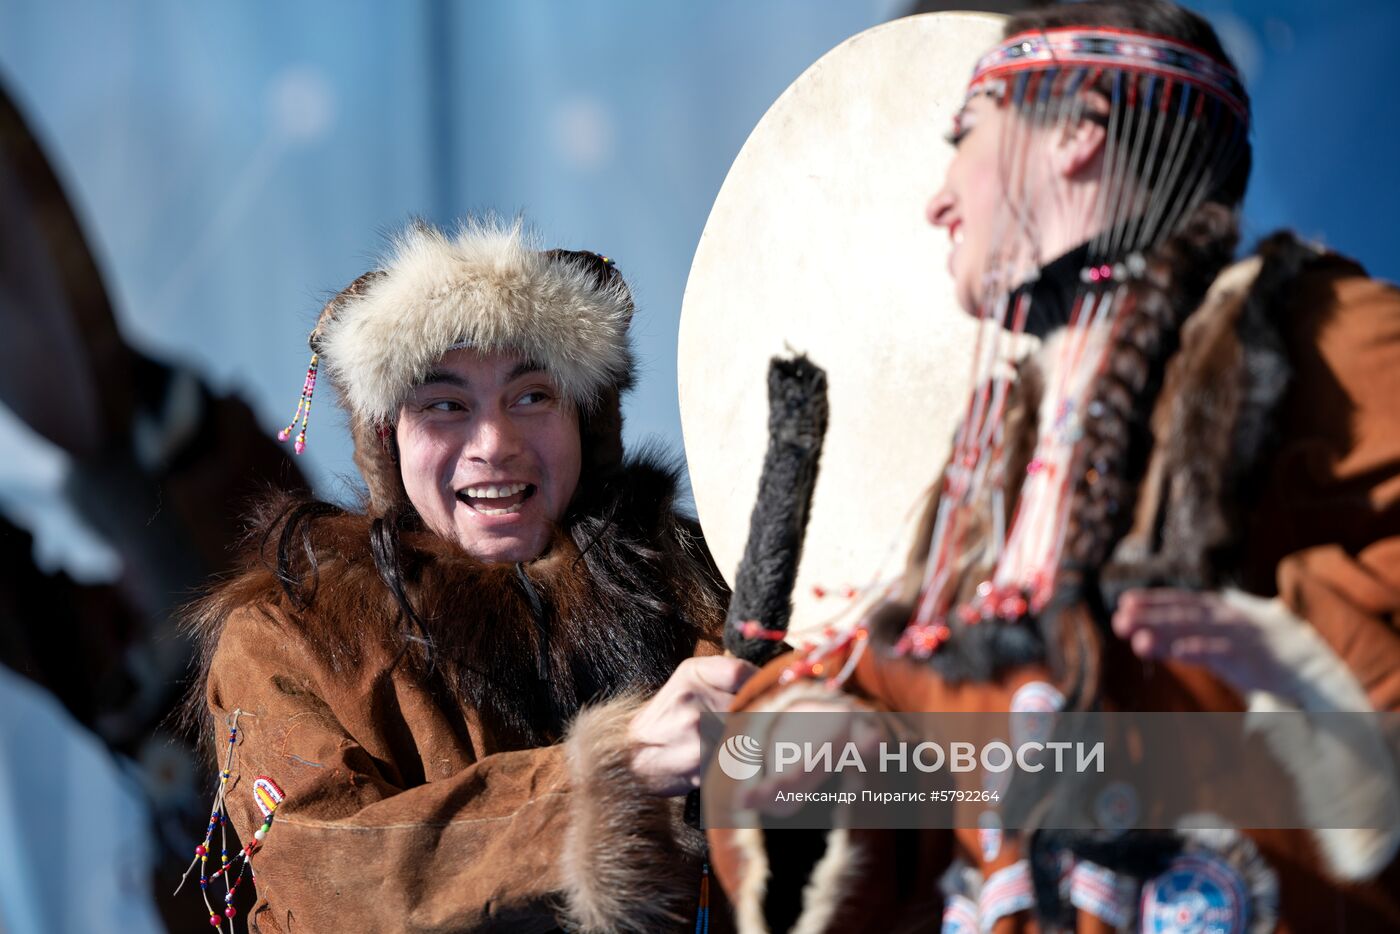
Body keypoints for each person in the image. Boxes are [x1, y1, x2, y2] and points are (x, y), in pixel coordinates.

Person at [711, 1, 1400, 929]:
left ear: (1078, 132)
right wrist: (809, 752)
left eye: (967, 137)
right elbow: (907, 724)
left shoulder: (1317, 334)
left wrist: (1285, 655)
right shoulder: (998, 464)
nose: (938, 197)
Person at [187, 219, 753, 932]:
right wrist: (610, 778)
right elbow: (321, 875)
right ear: (389, 437)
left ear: (584, 415)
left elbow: (891, 784)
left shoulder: (702, 587)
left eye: (532, 397)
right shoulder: (290, 638)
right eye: (445, 406)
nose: (495, 444)